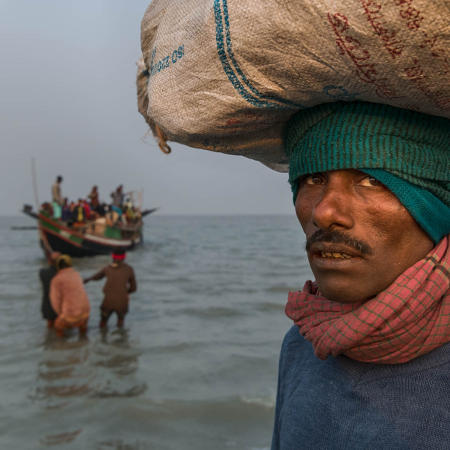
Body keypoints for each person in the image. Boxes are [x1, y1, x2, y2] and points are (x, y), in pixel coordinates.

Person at [271, 102, 449, 449]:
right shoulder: (302, 345)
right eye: (313, 178)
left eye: (371, 180)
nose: (324, 212)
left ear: (436, 203)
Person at [84, 250, 137, 328]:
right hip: (122, 302)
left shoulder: (107, 268)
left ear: (113, 257)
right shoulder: (129, 269)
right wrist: (125, 292)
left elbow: (96, 277)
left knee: (103, 322)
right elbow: (134, 288)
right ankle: (121, 338)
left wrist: (87, 279)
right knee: (120, 322)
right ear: (124, 257)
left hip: (108, 301)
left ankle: (102, 339)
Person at [50, 254, 91, 337]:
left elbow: (55, 301)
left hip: (71, 313)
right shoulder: (77, 274)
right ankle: (84, 341)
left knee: (58, 326)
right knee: (83, 329)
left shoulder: (56, 279)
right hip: (86, 311)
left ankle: (63, 345)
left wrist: (61, 314)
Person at [39, 251, 61, 328]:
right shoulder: (63, 274)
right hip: (61, 305)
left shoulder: (43, 273)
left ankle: (50, 339)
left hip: (47, 305)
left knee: (50, 326)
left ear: (49, 261)